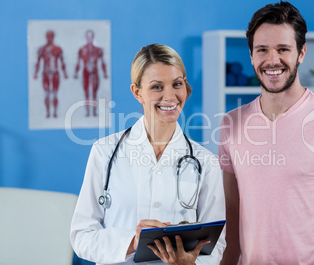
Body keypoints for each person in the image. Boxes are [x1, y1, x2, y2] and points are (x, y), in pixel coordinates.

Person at [219, 1, 314, 265]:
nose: (272, 60)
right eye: (262, 49)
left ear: (301, 53)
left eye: (283, 49)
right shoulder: (232, 123)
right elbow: (232, 214)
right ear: (251, 56)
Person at [70, 44, 226, 265]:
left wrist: (191, 263)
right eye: (157, 87)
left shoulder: (205, 161)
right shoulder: (105, 152)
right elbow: (81, 237)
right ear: (137, 92)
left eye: (177, 84)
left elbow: (216, 244)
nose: (170, 96)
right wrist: (133, 242)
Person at [33, 30, 68, 118]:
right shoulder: (42, 49)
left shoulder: (57, 49)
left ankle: (55, 112)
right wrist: (35, 73)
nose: (49, 38)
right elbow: (38, 62)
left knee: (55, 93)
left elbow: (62, 62)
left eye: (51, 36)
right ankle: (48, 112)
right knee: (47, 93)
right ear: (46, 37)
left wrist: (65, 73)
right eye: (48, 36)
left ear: (53, 37)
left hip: (55, 73)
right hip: (45, 73)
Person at [74, 30, 108, 117]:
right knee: (86, 92)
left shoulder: (98, 50)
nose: (89, 39)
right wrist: (76, 72)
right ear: (86, 37)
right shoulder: (82, 50)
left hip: (95, 72)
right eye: (88, 37)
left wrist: (104, 72)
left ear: (93, 37)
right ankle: (87, 112)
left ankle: (94, 112)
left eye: (91, 37)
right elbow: (78, 62)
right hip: (85, 71)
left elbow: (102, 62)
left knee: (94, 92)